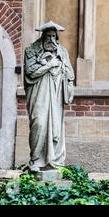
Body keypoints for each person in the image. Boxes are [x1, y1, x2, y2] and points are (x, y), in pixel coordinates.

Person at [23, 21, 74, 172]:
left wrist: (66, 76)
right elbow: (30, 71)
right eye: (48, 36)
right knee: (38, 122)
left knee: (55, 127)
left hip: (56, 95)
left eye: (54, 36)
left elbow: (70, 74)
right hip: (38, 94)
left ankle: (54, 160)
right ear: (43, 37)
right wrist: (49, 65)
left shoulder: (62, 52)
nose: (51, 40)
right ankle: (36, 160)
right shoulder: (31, 51)